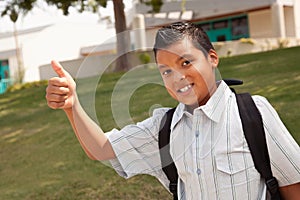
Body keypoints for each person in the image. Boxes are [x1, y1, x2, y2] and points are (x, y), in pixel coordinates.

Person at [46, 21, 300, 199]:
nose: (177, 77)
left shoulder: (254, 113)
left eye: (186, 62)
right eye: (166, 71)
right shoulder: (163, 129)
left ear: (212, 58)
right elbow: (102, 149)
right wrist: (73, 106)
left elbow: (293, 185)